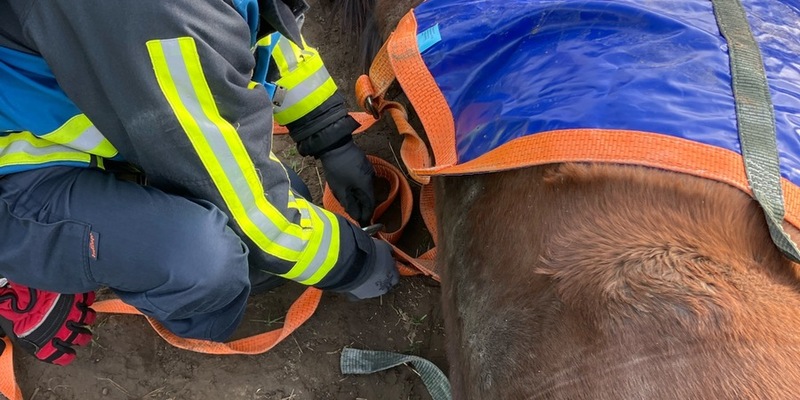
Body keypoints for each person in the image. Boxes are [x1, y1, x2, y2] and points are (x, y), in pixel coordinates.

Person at [0, 0, 399, 366]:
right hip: (22, 171)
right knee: (206, 264)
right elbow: (249, 212)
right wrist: (356, 263)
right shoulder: (156, 17)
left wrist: (329, 133)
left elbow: (263, 19)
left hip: (90, 114)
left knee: (280, 209)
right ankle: (29, 264)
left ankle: (104, 234)